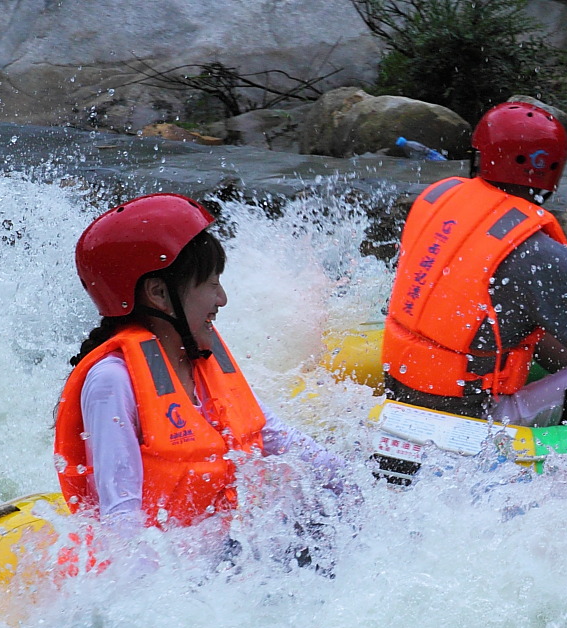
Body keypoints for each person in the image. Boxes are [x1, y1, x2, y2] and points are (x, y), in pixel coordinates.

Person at [55, 193, 353, 561]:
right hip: (175, 571)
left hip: (228, 550)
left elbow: (279, 438)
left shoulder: (197, 356)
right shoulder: (112, 381)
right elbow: (121, 519)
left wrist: (357, 484)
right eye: (212, 284)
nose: (223, 299)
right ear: (159, 294)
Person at [382, 100, 567, 426]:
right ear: (553, 171)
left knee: (523, 320)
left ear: (481, 157)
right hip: (468, 419)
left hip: (401, 389)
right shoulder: (538, 254)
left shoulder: (437, 199)